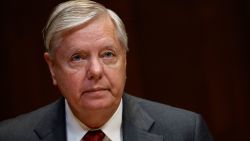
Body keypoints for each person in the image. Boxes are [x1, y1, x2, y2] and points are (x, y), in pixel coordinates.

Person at [0, 0, 213, 141]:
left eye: (108, 54)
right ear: (52, 68)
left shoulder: (184, 132)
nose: (95, 70)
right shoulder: (10, 136)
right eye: (77, 57)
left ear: (125, 60)